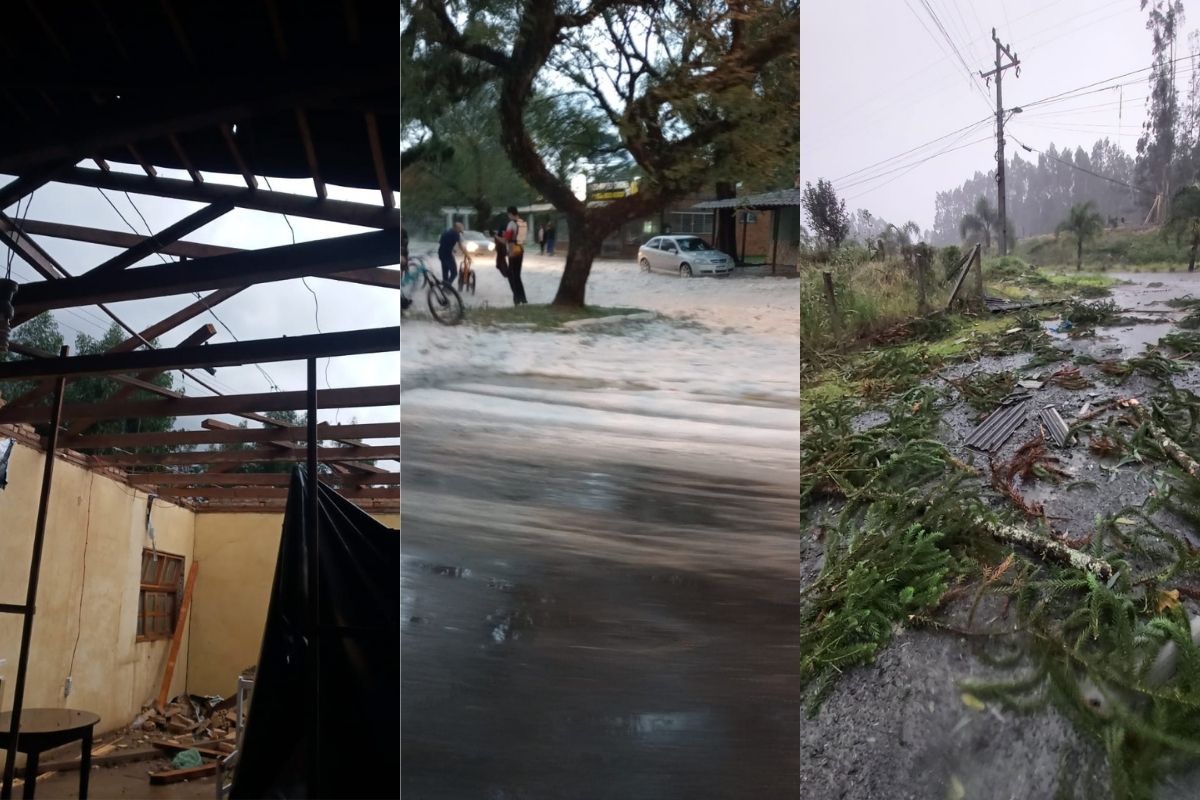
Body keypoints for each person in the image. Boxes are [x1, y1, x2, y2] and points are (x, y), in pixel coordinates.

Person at [503, 206, 528, 305]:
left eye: (508, 214)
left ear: (510, 213)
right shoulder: (523, 223)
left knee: (512, 275)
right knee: (517, 275)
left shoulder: (511, 224)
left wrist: (510, 252)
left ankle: (516, 298)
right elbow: (522, 238)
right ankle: (522, 298)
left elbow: (508, 239)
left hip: (513, 250)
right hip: (520, 250)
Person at [437, 222, 465, 287]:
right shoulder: (455, 234)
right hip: (448, 255)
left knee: (445, 272)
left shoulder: (446, 231)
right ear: (455, 227)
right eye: (459, 228)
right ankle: (447, 287)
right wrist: (467, 254)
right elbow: (460, 246)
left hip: (441, 253)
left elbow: (440, 242)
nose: (460, 230)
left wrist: (451, 248)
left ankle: (444, 287)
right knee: (454, 273)